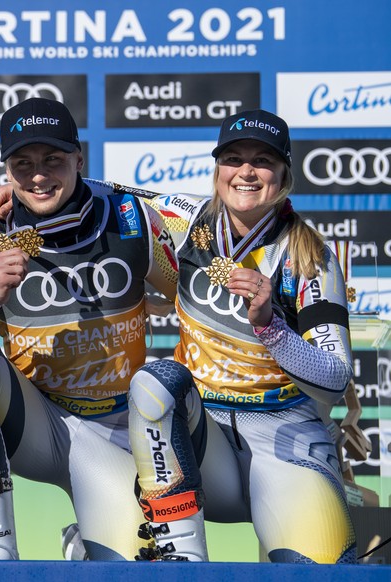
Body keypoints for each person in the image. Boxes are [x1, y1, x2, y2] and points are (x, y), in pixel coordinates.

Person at [0, 97, 179, 560]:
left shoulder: (133, 220)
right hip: (36, 422)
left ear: (80, 159)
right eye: (23, 164)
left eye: (53, 160)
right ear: (7, 171)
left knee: (127, 564)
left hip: (114, 427)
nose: (38, 175)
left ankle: (85, 544)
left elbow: (190, 289)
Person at [125, 109, 357, 562]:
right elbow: (95, 193)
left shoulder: (309, 256)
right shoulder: (187, 219)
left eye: (262, 160)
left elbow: (334, 378)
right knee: (154, 382)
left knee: (319, 572)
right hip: (200, 434)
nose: (246, 171)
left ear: (284, 174)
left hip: (284, 433)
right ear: (217, 170)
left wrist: (271, 326)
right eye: (233, 158)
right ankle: (180, 558)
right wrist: (11, 193)